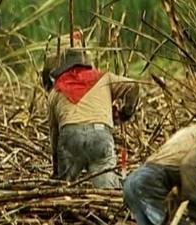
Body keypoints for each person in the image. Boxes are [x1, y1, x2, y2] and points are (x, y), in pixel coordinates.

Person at [43, 48, 140, 188]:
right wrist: (126, 113)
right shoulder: (104, 78)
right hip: (100, 136)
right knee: (107, 187)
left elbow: (54, 135)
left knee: (65, 189)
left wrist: (57, 172)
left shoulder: (56, 90)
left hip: (71, 138)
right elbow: (133, 86)